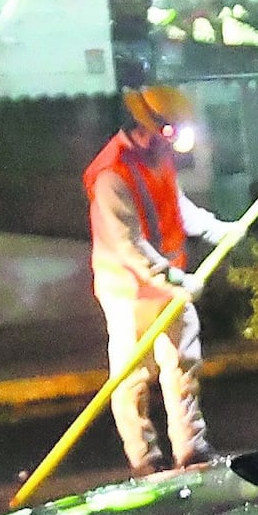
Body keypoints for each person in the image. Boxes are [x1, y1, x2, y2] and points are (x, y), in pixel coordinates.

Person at [83, 84, 238, 475]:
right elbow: (129, 245)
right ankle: (145, 462)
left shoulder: (159, 157)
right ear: (149, 127)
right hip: (129, 294)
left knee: (182, 366)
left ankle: (192, 451)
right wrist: (176, 281)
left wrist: (216, 229)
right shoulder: (111, 174)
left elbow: (174, 205)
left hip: (168, 286)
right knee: (132, 377)